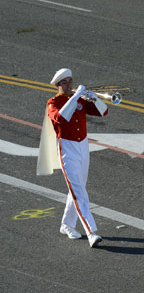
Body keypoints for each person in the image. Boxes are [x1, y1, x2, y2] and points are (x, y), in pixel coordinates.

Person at [37, 68, 108, 247]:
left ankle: (67, 225)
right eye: (65, 82)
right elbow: (61, 118)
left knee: (78, 189)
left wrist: (94, 97)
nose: (70, 85)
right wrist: (76, 97)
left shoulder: (78, 100)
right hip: (67, 149)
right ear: (58, 85)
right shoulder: (53, 102)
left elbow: (103, 112)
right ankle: (91, 232)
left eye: (70, 81)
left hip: (83, 147)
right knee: (79, 193)